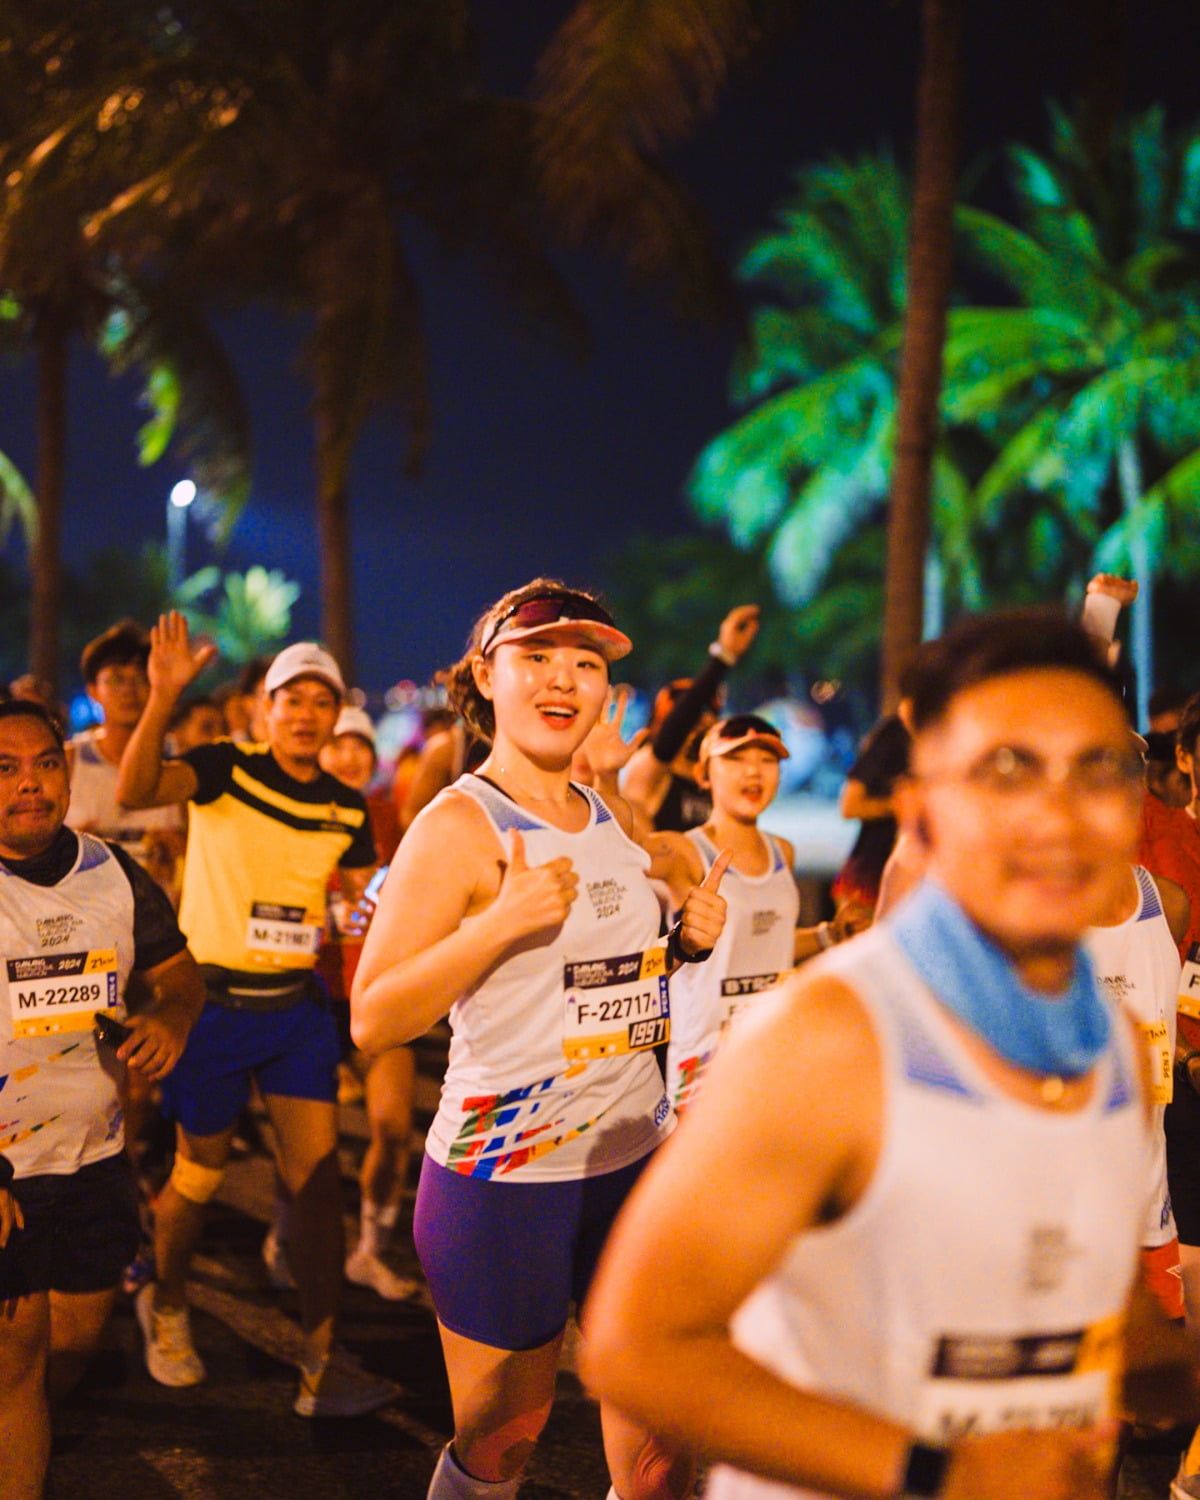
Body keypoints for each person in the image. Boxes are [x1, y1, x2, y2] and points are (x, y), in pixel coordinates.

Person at [581, 607, 1200, 1500]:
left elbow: (1086, 1285)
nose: (1057, 812)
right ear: (922, 807)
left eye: (1099, 769)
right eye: (1008, 770)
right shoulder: (834, 1040)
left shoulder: (1095, 1033)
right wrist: (939, 1473)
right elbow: (637, 1348)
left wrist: (1166, 1368)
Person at [351, 579, 729, 1500]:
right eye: (538, 657)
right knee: (503, 1448)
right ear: (486, 675)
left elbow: (598, 984)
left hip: (634, 1165)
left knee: (659, 1460)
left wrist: (680, 947)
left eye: (587, 664)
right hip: (505, 1185)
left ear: (607, 692)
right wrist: (493, 927)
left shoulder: (602, 813)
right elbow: (374, 1017)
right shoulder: (456, 825)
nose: (564, 679)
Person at [114, 615, 393, 1418]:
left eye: (321, 701)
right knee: (197, 1177)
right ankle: (166, 1305)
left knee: (314, 1187)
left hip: (295, 1012)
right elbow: (136, 791)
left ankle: (322, 1359)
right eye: (290, 699)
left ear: (337, 713)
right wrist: (164, 694)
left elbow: (363, 905)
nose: (305, 713)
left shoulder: (347, 806)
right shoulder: (222, 770)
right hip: (211, 1007)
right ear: (265, 709)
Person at [0, 699, 204, 1500]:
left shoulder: (112, 871)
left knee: (74, 1349)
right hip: (10, 1177)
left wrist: (171, 1019)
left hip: (96, 1161)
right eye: (5, 769)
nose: (30, 785)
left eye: (46, 763)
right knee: (16, 1366)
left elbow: (179, 975)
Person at [647, 713, 862, 1112]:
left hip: (775, 1052)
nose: (753, 772)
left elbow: (768, 943)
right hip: (703, 1069)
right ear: (703, 773)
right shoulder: (682, 851)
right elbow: (621, 849)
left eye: (768, 760)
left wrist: (829, 935)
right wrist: (607, 779)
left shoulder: (783, 851)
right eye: (735, 759)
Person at [316, 704, 417, 1301]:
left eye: (358, 744)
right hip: (312, 997)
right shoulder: (296, 815)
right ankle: (286, 1231)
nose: (349, 755)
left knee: (393, 1126)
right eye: (337, 744)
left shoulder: (387, 818)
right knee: (311, 1141)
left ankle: (370, 1250)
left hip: (380, 990)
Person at [67, 620, 185, 899]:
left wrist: (179, 847)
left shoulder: (180, 759)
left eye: (142, 678)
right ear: (93, 690)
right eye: (116, 679)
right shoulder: (69, 761)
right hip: (86, 918)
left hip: (160, 922)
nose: (130, 690)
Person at [622, 604, 760, 833]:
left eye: (709, 720)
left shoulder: (714, 778)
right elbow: (672, 735)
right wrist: (723, 658)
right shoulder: (650, 767)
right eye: (693, 722)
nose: (702, 727)